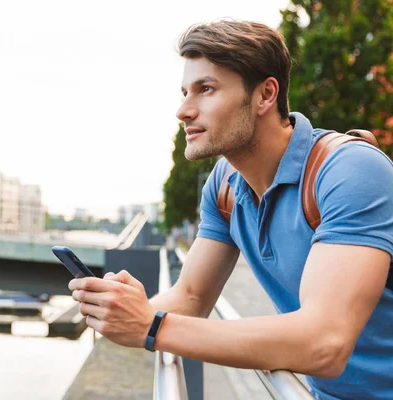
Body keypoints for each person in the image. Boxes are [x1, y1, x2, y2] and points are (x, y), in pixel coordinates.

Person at [68, 20, 392, 400]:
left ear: (265, 95)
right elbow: (190, 298)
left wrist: (152, 327)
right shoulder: (224, 184)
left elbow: (325, 344)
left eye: (206, 89)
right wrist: (125, 309)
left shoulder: (349, 171)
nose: (183, 111)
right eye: (185, 92)